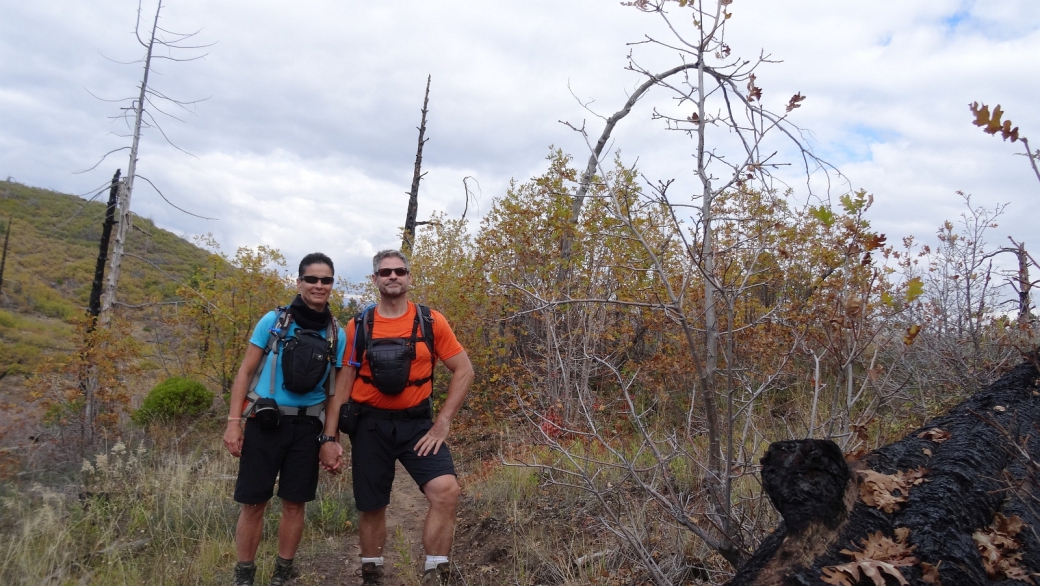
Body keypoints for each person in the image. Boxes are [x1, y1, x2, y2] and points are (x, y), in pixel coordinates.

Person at [320, 250, 474, 586]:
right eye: (385, 272)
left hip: (418, 426)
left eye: (400, 271)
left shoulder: (431, 321)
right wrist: (330, 439)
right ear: (374, 279)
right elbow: (343, 384)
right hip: (369, 425)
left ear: (409, 277)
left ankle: (435, 570)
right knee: (372, 505)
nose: (393, 276)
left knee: (446, 490)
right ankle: (372, 572)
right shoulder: (358, 325)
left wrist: (443, 420)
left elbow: (464, 369)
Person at [223, 252, 347, 586]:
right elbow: (246, 370)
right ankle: (244, 574)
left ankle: (282, 572)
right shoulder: (273, 321)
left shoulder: (338, 333)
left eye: (326, 280)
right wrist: (234, 421)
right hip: (266, 423)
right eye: (312, 279)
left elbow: (336, 394)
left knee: (295, 503)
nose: (319, 286)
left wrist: (330, 439)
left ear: (332, 285)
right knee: (253, 502)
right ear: (299, 282)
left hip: (308, 428)